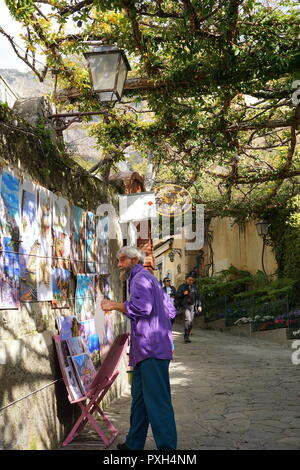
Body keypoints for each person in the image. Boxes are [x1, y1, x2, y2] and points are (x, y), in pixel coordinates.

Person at [101, 246, 177, 450]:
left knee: (158, 402)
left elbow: (143, 308)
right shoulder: (149, 278)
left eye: (123, 260)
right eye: (119, 260)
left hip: (151, 348)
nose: (119, 265)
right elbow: (170, 310)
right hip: (148, 349)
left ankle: (167, 449)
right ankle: (134, 444)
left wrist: (114, 305)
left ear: (135, 260)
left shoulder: (140, 279)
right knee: (140, 400)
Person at [176, 274, 202, 343]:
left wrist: (199, 305)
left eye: (192, 280)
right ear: (186, 280)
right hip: (185, 305)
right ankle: (186, 337)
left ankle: (187, 335)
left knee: (191, 323)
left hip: (193, 306)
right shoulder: (182, 287)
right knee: (188, 320)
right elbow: (177, 295)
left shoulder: (194, 287)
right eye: (189, 280)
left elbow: (198, 297)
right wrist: (183, 293)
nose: (191, 281)